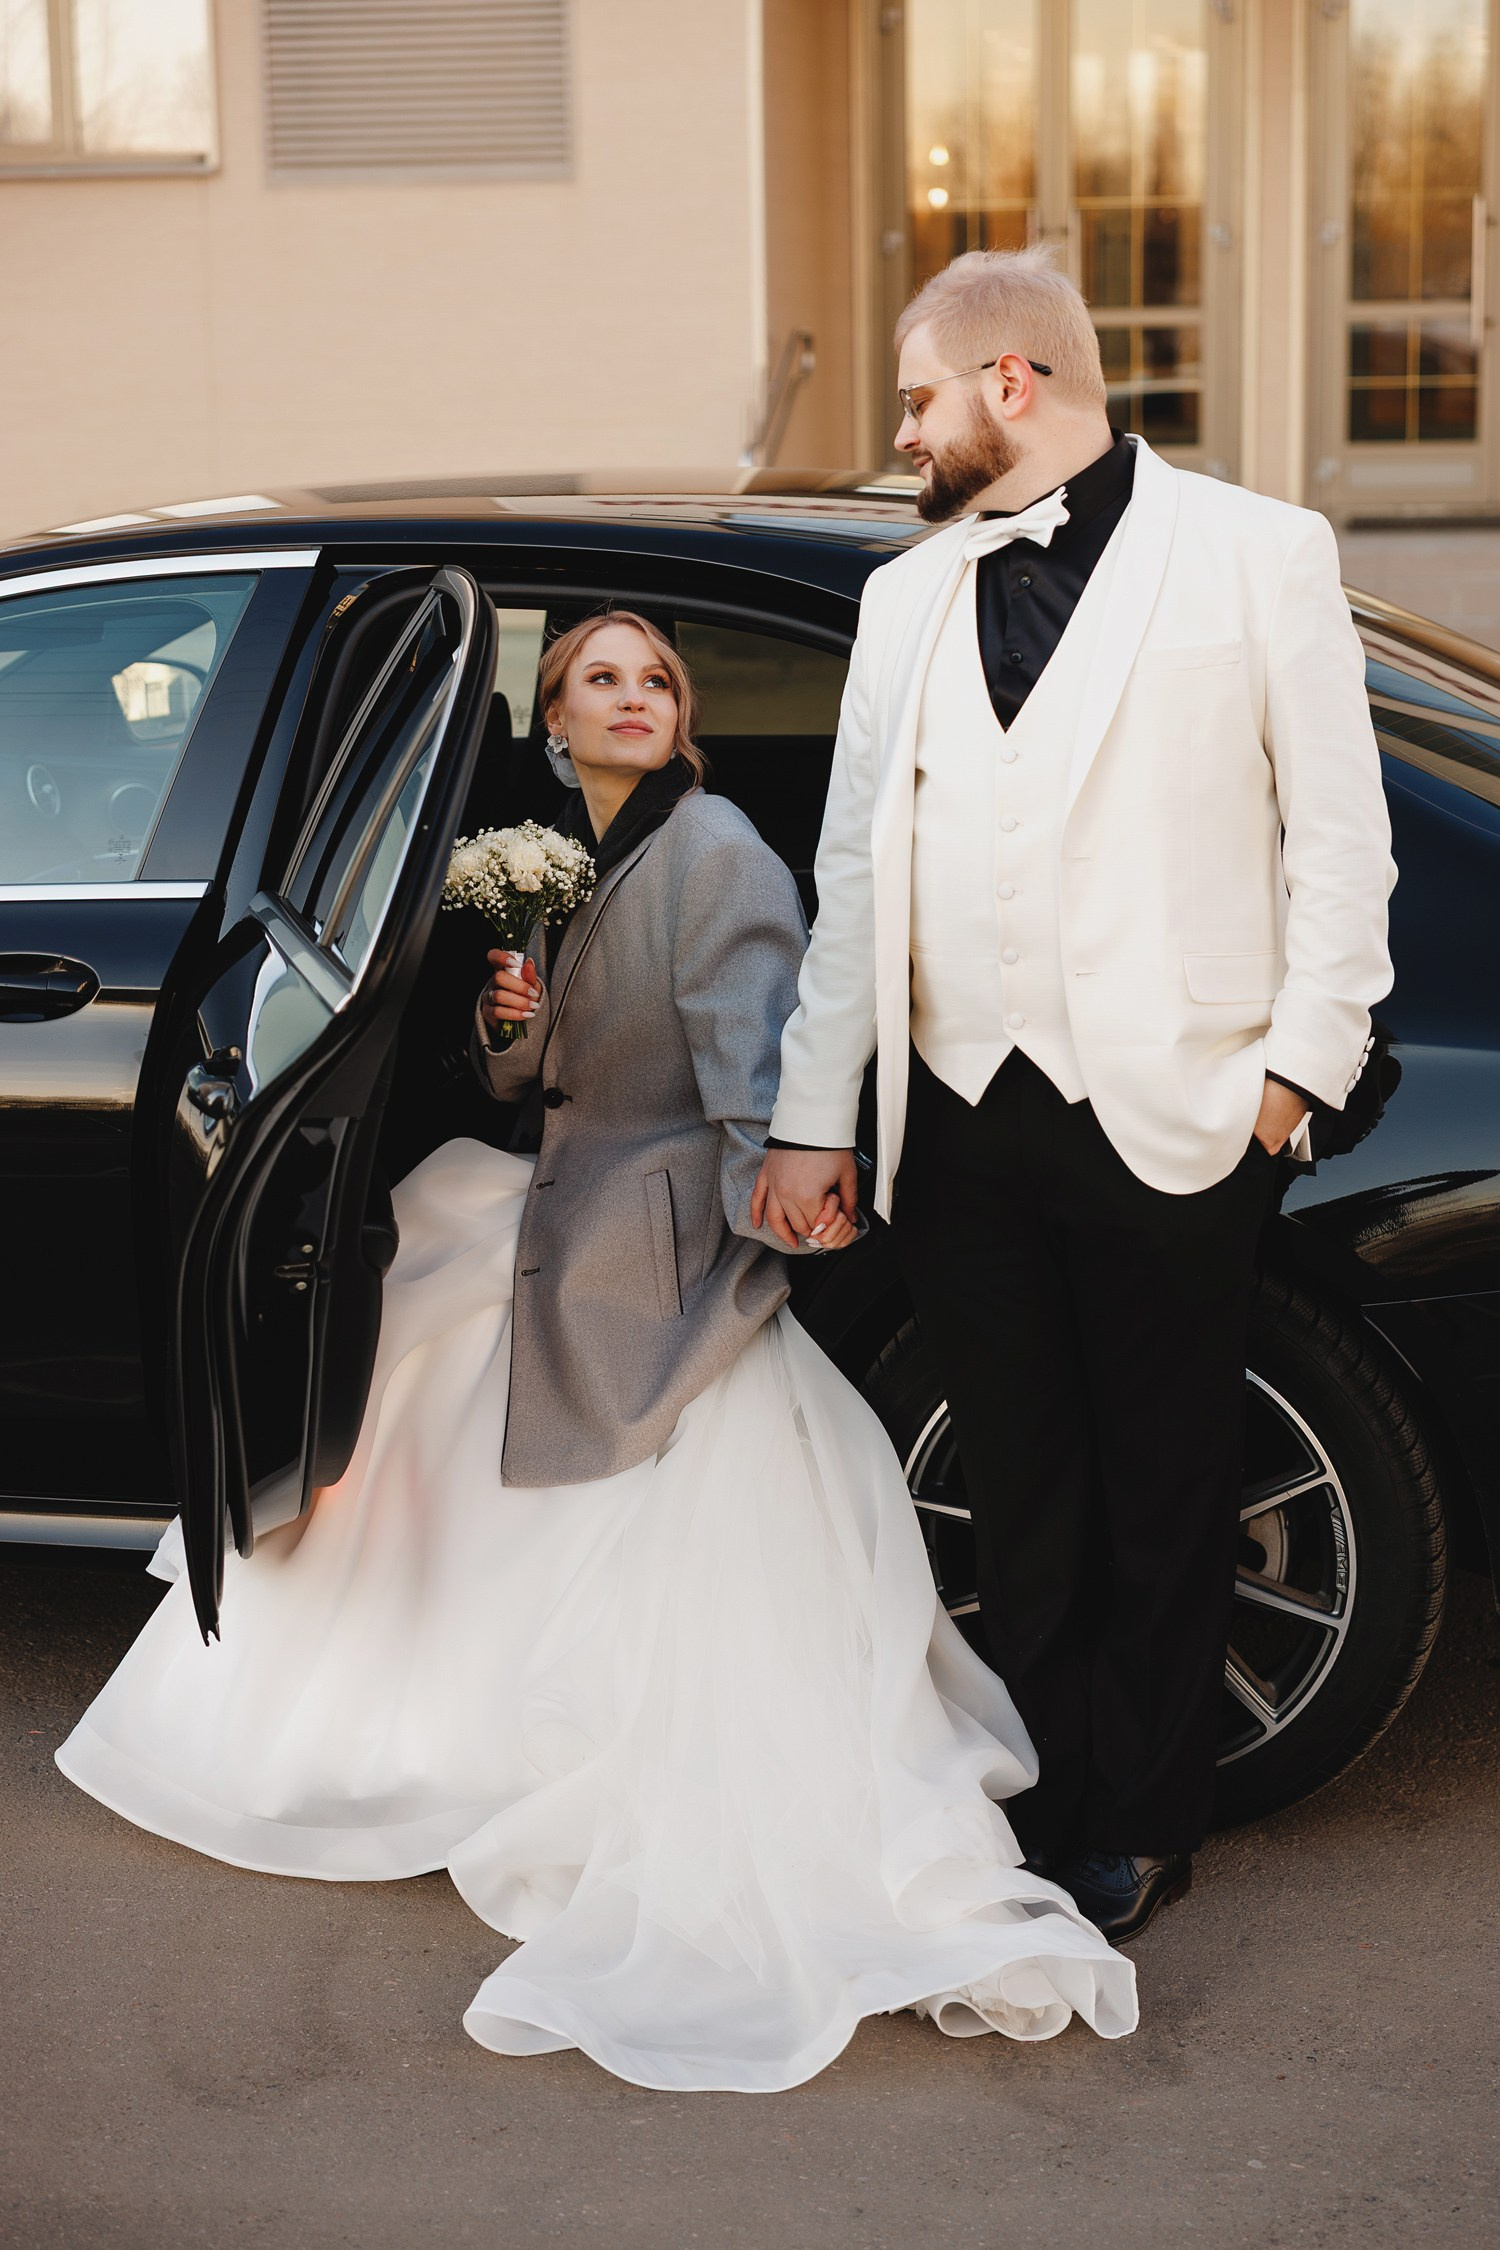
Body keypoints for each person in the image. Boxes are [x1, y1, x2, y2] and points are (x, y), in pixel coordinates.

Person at [57, 609, 1136, 2094]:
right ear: (554, 721)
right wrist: (509, 1014)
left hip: (658, 1226)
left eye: (657, 682)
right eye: (601, 681)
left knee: (428, 1314)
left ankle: (405, 1730)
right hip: (572, 1192)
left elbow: (755, 1069)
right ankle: (398, 1721)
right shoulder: (574, 854)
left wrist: (770, 1221)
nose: (635, 699)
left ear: (682, 718)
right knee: (417, 1290)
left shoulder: (717, 854)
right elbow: (535, 1078)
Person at [753, 247, 1396, 1943]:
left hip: (1179, 1108)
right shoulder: (904, 599)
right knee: (1021, 1484)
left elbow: (1343, 845)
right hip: (958, 1117)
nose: (904, 434)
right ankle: (1040, 1800)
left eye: (919, 399)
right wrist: (816, 1114)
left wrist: (1293, 1080)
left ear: (1012, 383)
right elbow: (852, 875)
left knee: (1168, 1484)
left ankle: (1148, 1821)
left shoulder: (1260, 553)